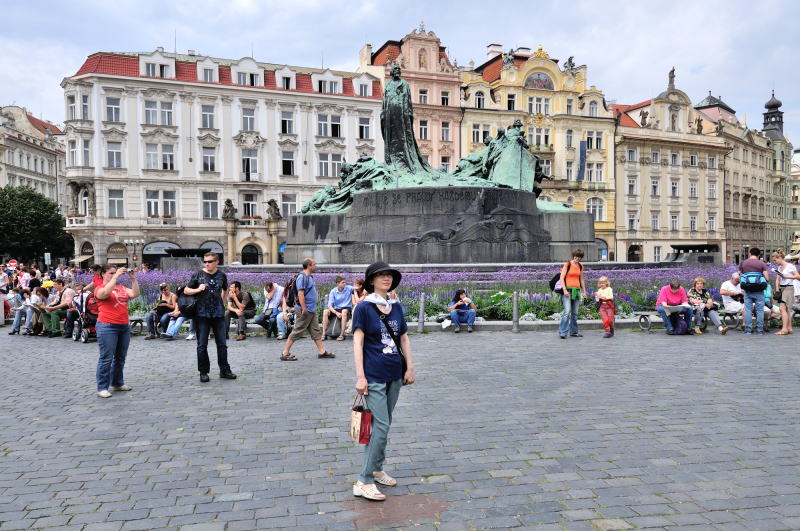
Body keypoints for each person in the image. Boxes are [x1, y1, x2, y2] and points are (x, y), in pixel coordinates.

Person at [352, 261, 415, 501]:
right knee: (380, 426)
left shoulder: (395, 306)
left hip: (395, 373)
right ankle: (364, 480)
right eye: (381, 275)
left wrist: (410, 367)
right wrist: (361, 376)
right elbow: (357, 342)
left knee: (383, 424)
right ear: (371, 280)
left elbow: (404, 338)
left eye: (389, 275)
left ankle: (377, 469)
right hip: (374, 375)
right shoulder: (364, 308)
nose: (386, 278)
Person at [184, 252, 237, 382]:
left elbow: (225, 289)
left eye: (210, 261)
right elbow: (186, 290)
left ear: (217, 262)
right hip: (202, 314)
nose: (207, 264)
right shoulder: (198, 275)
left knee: (222, 344)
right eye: (205, 261)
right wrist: (198, 289)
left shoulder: (222, 275)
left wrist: (222, 302)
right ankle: (203, 372)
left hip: (218, 315)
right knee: (202, 345)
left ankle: (224, 370)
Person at [94, 265, 140, 398]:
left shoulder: (121, 288)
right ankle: (102, 387)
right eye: (110, 273)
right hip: (107, 326)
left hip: (123, 326)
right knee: (106, 358)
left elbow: (135, 294)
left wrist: (133, 279)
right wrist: (116, 276)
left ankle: (117, 383)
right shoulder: (99, 288)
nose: (114, 274)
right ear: (103, 274)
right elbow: (104, 294)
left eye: (115, 272)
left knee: (120, 358)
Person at [280, 258, 335, 361]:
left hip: (311, 309)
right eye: (314, 264)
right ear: (309, 265)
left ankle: (322, 351)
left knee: (315, 330)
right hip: (305, 310)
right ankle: (285, 353)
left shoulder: (309, 277)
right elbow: (300, 294)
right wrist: (304, 308)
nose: (316, 266)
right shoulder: (302, 277)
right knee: (297, 330)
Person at [739, 247, 770, 335]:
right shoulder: (762, 263)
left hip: (747, 290)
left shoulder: (743, 263)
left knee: (748, 310)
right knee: (760, 311)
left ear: (750, 253)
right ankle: (760, 330)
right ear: (759, 255)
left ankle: (748, 330)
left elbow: (740, 275)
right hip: (759, 291)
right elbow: (767, 278)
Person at [558, 249, 586, 339]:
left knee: (575, 313)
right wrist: (564, 289)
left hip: (577, 291)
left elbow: (581, 279)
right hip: (567, 291)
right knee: (567, 311)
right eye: (576, 256)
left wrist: (584, 291)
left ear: (581, 258)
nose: (577, 258)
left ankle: (573, 332)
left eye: (579, 257)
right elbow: (561, 277)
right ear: (573, 256)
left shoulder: (581, 266)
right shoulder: (567, 264)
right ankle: (563, 332)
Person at [772, 250, 799, 335]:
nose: (774, 262)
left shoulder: (790, 266)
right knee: (786, 309)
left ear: (780, 258)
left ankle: (784, 329)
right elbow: (778, 279)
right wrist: (777, 289)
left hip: (789, 287)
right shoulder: (779, 268)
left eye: (775, 260)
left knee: (782, 308)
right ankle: (789, 328)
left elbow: (798, 276)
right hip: (782, 288)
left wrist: (786, 276)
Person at [323, 276, 354, 341]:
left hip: (346, 309)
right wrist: (336, 313)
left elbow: (358, 288)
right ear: (338, 283)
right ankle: (324, 334)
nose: (345, 284)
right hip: (336, 310)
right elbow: (330, 305)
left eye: (345, 282)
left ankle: (342, 334)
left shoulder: (349, 288)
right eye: (343, 282)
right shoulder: (333, 291)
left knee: (344, 311)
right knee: (325, 311)